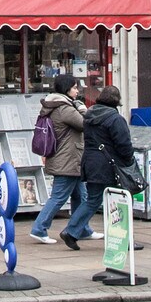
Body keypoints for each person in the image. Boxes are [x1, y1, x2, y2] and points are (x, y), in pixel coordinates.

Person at [63, 85, 137, 249]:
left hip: (90, 162)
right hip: (109, 165)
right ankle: (123, 239)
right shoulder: (115, 119)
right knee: (119, 201)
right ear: (117, 101)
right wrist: (129, 160)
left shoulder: (89, 115)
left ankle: (71, 231)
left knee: (93, 200)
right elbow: (124, 145)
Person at [26, 74, 90, 245]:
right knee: (58, 197)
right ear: (66, 89)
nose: (77, 91)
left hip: (70, 159)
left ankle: (81, 229)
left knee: (82, 197)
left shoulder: (58, 105)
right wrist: (83, 109)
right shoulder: (65, 109)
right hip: (67, 160)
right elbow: (85, 124)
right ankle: (39, 229)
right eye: (75, 87)